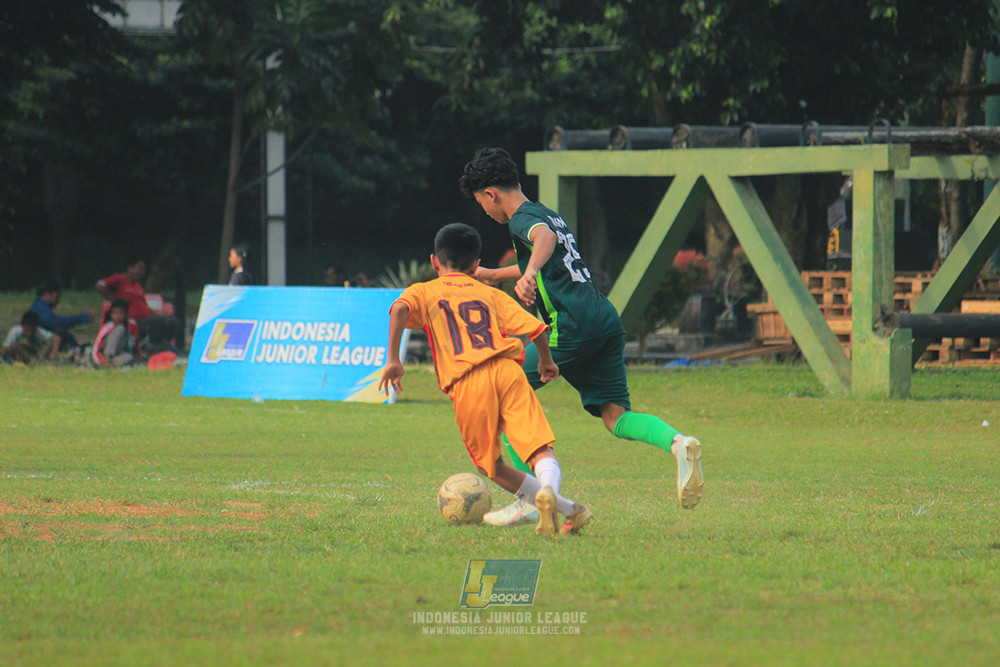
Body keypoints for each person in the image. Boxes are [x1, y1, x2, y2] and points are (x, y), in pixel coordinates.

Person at [459, 147, 704, 526]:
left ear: (490, 194)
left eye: (481, 204)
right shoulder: (547, 214)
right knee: (616, 416)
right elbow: (549, 255)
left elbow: (542, 243)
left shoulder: (523, 220)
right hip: (602, 319)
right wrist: (496, 275)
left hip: (571, 325)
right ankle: (678, 443)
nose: (485, 212)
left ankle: (531, 497)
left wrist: (529, 274)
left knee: (501, 392)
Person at [378, 223, 593, 537]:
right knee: (538, 448)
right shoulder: (490, 293)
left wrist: (393, 359)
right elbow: (535, 328)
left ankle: (551, 503)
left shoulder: (424, 290)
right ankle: (566, 504)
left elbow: (399, 308)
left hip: (468, 382)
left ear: (434, 262)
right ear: (476, 265)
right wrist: (546, 361)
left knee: (491, 466)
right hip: (507, 372)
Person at [95, 257, 184, 356]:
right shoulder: (119, 279)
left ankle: (162, 347)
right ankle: (151, 349)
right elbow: (100, 286)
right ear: (130, 268)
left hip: (145, 319)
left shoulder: (139, 287)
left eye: (143, 270)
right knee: (161, 321)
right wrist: (115, 300)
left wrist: (158, 314)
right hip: (132, 323)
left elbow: (144, 306)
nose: (142, 273)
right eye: (140, 269)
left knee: (174, 322)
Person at [28, 282, 95, 351]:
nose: (58, 300)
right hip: (40, 341)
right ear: (47, 294)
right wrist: (82, 318)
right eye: (57, 297)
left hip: (41, 338)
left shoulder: (39, 306)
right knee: (60, 332)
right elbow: (54, 322)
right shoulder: (39, 307)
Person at [91, 299, 140, 367]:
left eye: (121, 313)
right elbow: (97, 345)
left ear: (126, 314)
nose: (118, 316)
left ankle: (109, 365)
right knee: (120, 329)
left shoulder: (131, 325)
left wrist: (138, 356)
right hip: (105, 354)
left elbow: (135, 343)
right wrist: (100, 359)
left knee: (129, 357)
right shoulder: (108, 327)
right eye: (115, 313)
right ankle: (107, 360)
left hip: (119, 354)